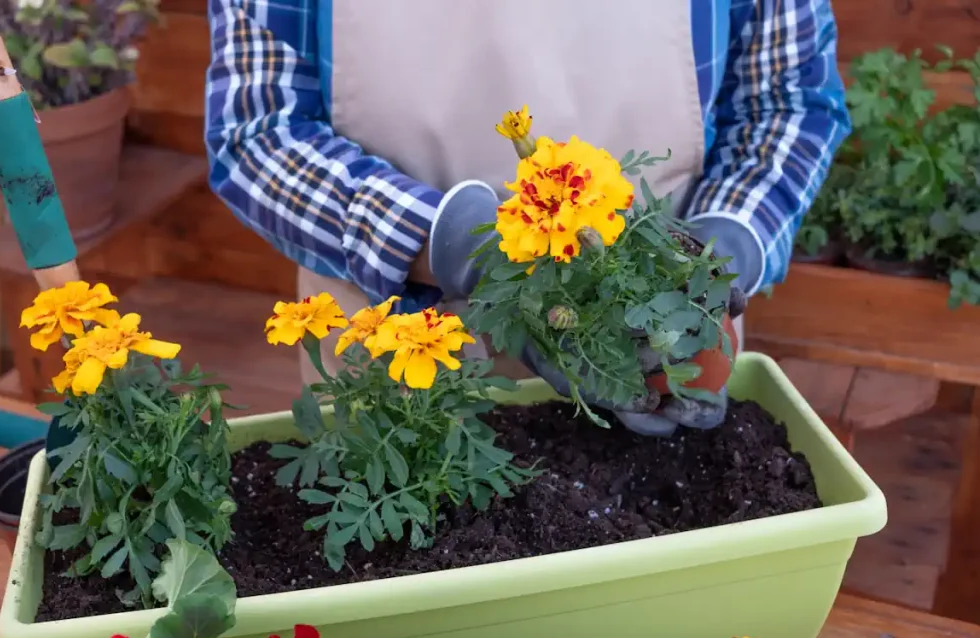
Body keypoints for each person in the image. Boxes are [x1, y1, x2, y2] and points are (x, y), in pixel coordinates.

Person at [205, 1, 850, 436]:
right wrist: (462, 245)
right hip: (397, 339)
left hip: (660, 338)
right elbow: (260, 133)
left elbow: (786, 102)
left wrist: (726, 243)